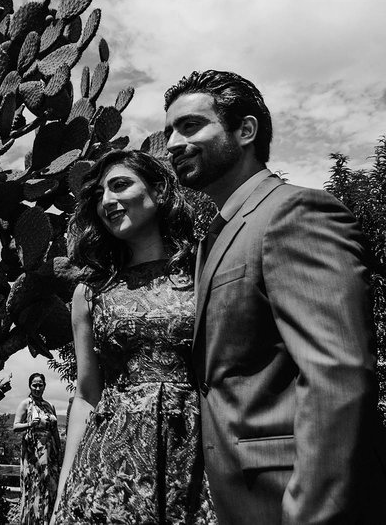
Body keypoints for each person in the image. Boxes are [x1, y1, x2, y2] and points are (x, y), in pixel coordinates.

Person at [163, 69, 386, 523]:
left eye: (189, 126)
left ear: (245, 130)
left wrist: (310, 512)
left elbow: (336, 376)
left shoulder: (295, 213)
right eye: (168, 130)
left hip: (293, 499)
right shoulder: (216, 237)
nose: (170, 143)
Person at [53, 150, 215, 524]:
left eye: (120, 185)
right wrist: (64, 481)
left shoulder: (205, 272)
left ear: (159, 191)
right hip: (108, 469)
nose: (108, 200)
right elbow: (86, 394)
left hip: (196, 457)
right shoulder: (90, 293)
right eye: (99, 195)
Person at [12, 372, 59, 525]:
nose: (37, 388)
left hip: (49, 452)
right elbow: (15, 427)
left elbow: (55, 431)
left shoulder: (49, 406)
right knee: (35, 485)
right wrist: (29, 425)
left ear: (45, 386)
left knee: (50, 486)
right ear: (30, 386)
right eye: (34, 385)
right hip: (33, 452)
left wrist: (58, 450)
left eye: (40, 385)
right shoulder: (26, 404)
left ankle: (47, 519)